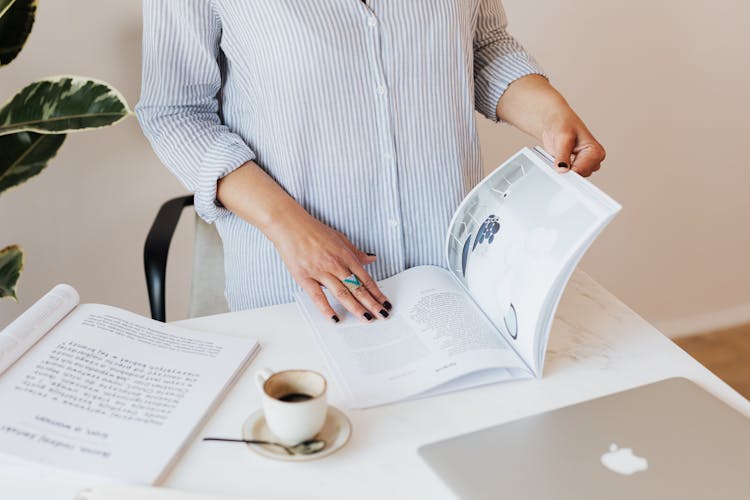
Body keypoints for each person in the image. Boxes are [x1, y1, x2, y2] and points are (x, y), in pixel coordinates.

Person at [136, 1, 605, 325]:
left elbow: (482, 46)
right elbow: (175, 112)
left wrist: (550, 114)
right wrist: (289, 226)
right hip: (301, 296)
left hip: (455, 279)